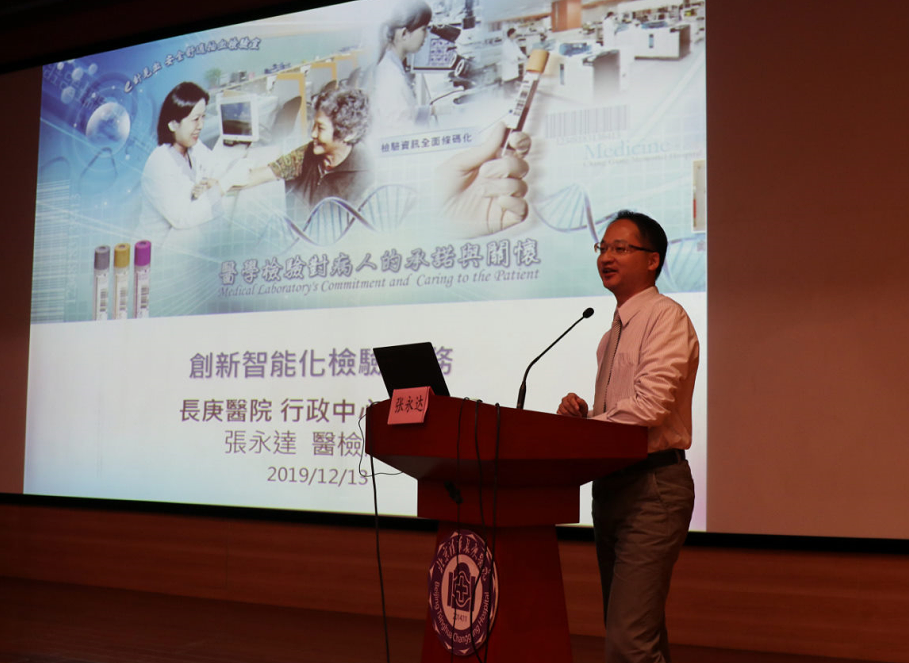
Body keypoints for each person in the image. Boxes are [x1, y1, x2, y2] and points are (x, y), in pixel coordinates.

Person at [557, 211, 698, 662]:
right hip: (611, 487)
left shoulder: (665, 317)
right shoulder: (609, 336)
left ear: (652, 260)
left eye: (620, 248)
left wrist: (593, 427)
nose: (606, 257)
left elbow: (650, 408)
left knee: (628, 641)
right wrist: (583, 420)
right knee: (640, 636)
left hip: (652, 488)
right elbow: (619, 417)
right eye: (602, 248)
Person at [244, 84, 373, 221]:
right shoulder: (307, 154)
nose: (313, 134)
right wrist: (228, 182)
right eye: (313, 125)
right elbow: (271, 171)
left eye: (321, 128)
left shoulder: (366, 177)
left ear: (348, 134)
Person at [139, 82, 224, 242]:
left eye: (203, 117)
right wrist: (220, 187)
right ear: (173, 124)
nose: (201, 125)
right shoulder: (159, 163)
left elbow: (216, 167)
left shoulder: (194, 146)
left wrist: (212, 184)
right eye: (195, 119)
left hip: (183, 237)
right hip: (159, 247)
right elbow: (182, 218)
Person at [372, 0, 433, 134]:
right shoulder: (391, 77)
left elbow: (405, 112)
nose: (427, 35)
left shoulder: (392, 63)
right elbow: (401, 131)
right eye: (424, 29)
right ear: (404, 34)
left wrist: (434, 110)